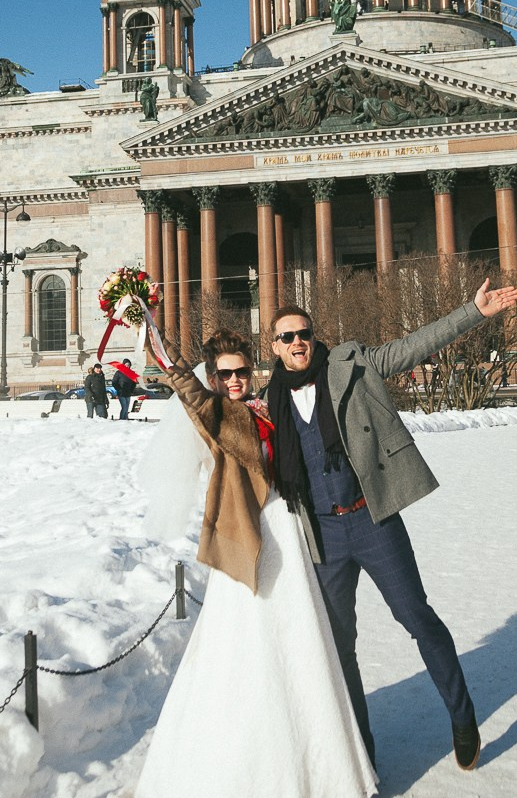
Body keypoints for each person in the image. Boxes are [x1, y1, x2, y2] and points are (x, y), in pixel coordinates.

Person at [266, 277, 517, 772]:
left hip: (372, 518)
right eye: (288, 337)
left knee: (417, 618)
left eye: (305, 333)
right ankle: (364, 756)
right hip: (323, 537)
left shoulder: (350, 363)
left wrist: (474, 312)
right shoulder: (268, 400)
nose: (298, 343)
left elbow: (411, 347)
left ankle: (462, 716)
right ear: (273, 346)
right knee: (341, 649)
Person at [135, 329, 377, 798]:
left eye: (240, 371)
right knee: (246, 646)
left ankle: (319, 756)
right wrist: (153, 331)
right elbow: (184, 385)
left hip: (288, 532)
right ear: (212, 377)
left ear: (253, 371)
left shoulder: (267, 406)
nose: (233, 380)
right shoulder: (213, 413)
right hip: (251, 541)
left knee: (301, 639)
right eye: (223, 373)